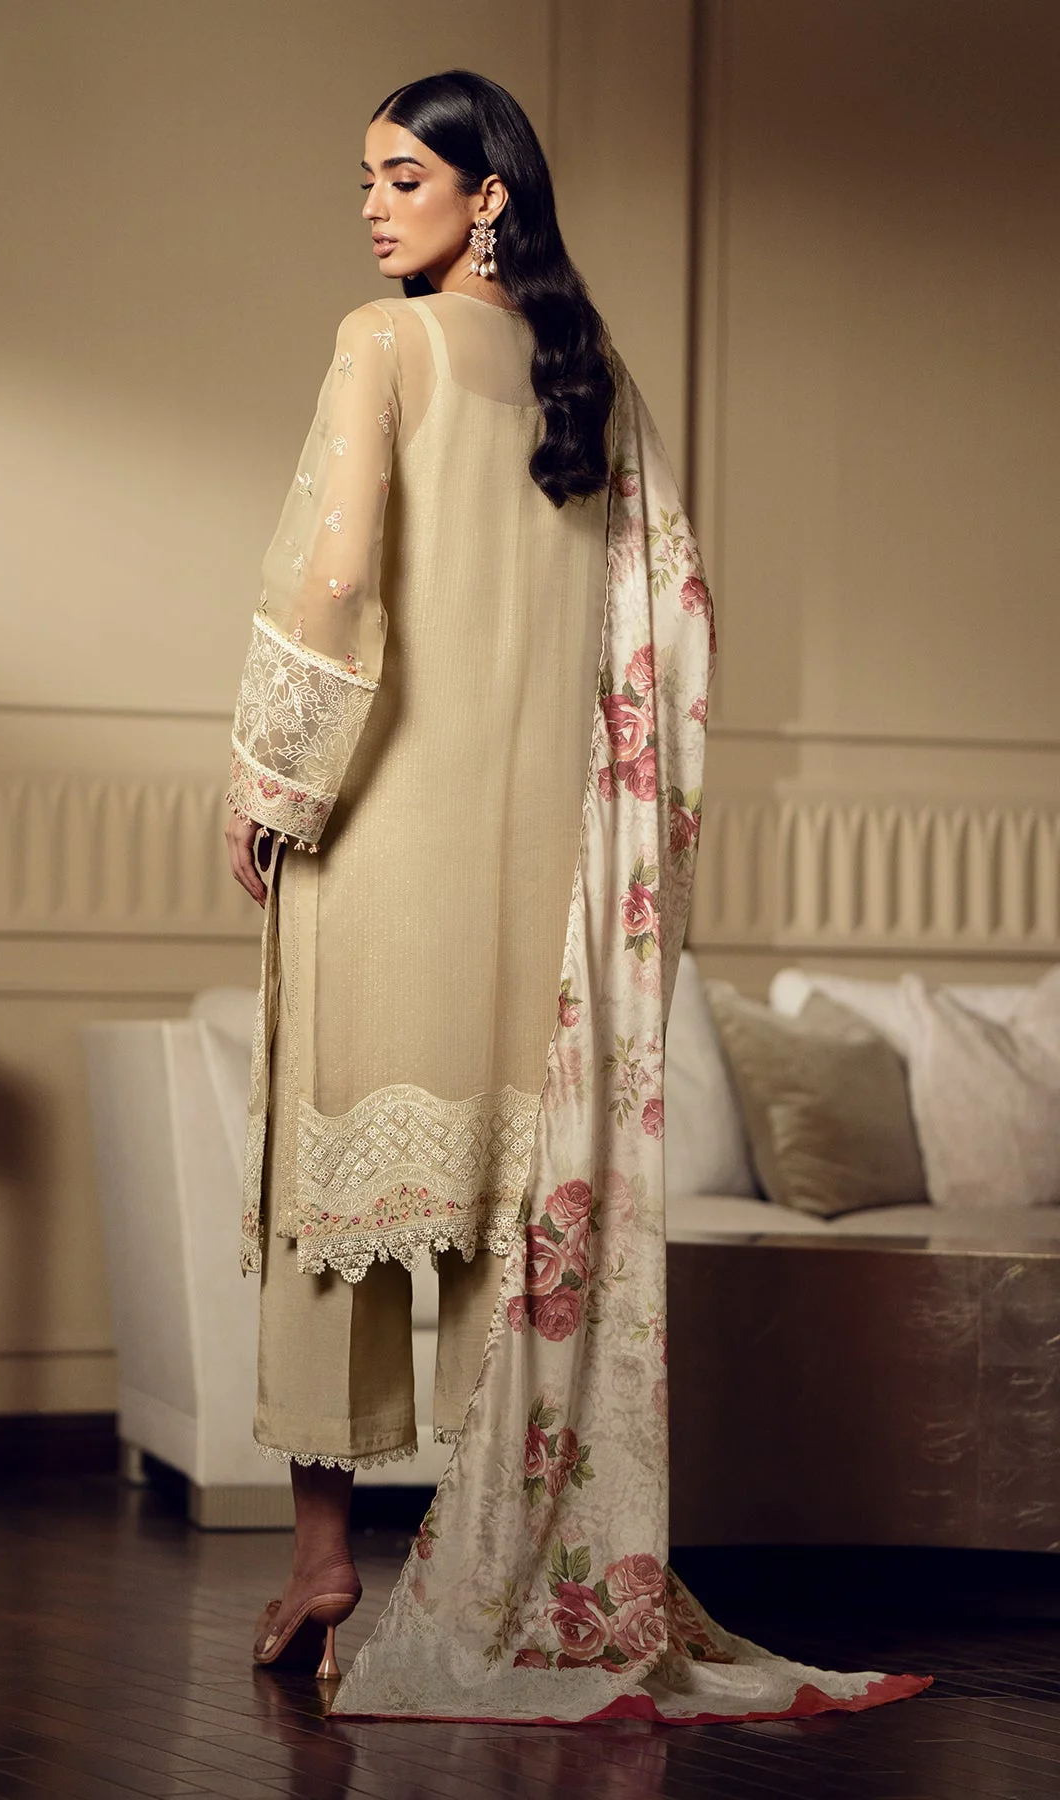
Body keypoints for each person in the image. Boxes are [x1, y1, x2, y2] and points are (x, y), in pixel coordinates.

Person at [226, 70, 930, 1724]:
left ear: (489, 197)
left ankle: (324, 1558)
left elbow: (337, 578)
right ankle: (509, 1559)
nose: (374, 206)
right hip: (544, 883)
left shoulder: (381, 343)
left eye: (405, 177)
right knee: (516, 1226)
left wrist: (274, 781)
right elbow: (672, 616)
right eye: (364, 180)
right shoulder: (588, 374)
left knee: (329, 1212)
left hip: (381, 838)